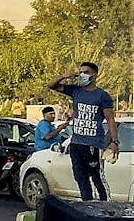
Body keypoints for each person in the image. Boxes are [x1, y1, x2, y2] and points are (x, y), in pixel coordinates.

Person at [49, 62, 119, 201]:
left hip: (93, 144)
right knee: (80, 177)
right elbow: (51, 85)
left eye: (85, 72)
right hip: (76, 143)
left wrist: (114, 142)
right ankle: (87, 204)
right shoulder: (76, 91)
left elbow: (111, 119)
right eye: (80, 72)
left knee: (96, 177)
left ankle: (105, 205)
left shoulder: (102, 95)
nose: (81, 75)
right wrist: (64, 76)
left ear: (94, 75)